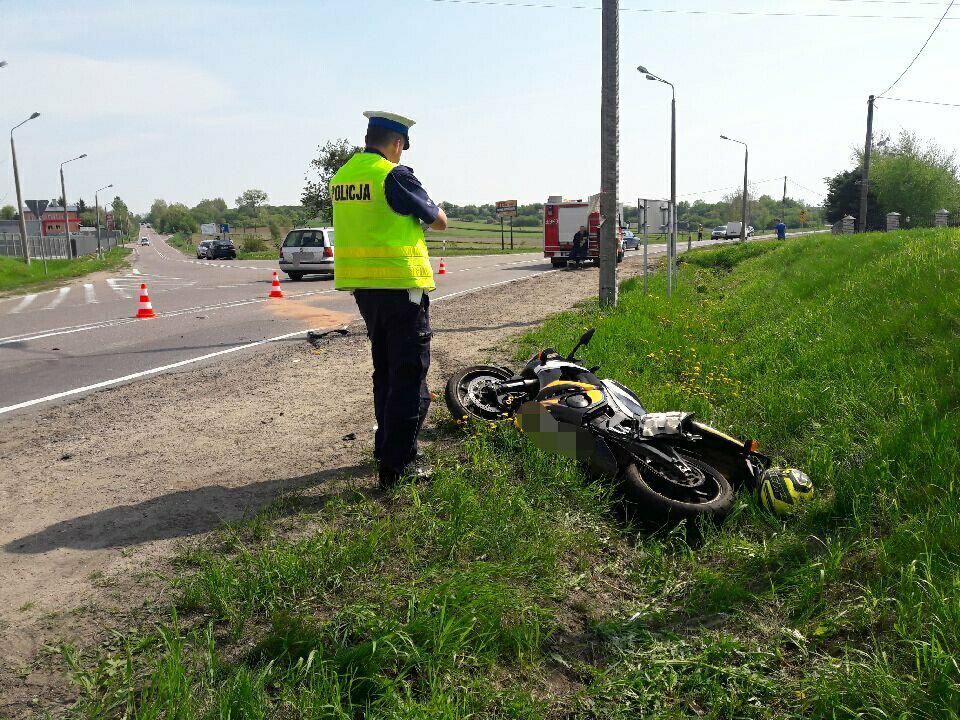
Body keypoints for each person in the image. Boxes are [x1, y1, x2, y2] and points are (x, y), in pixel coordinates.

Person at [331, 110, 448, 489]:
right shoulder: (394, 175)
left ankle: (386, 450)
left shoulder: (344, 176)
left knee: (385, 371)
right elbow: (437, 219)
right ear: (396, 143)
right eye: (401, 148)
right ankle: (399, 466)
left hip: (366, 291)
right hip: (402, 289)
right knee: (409, 378)